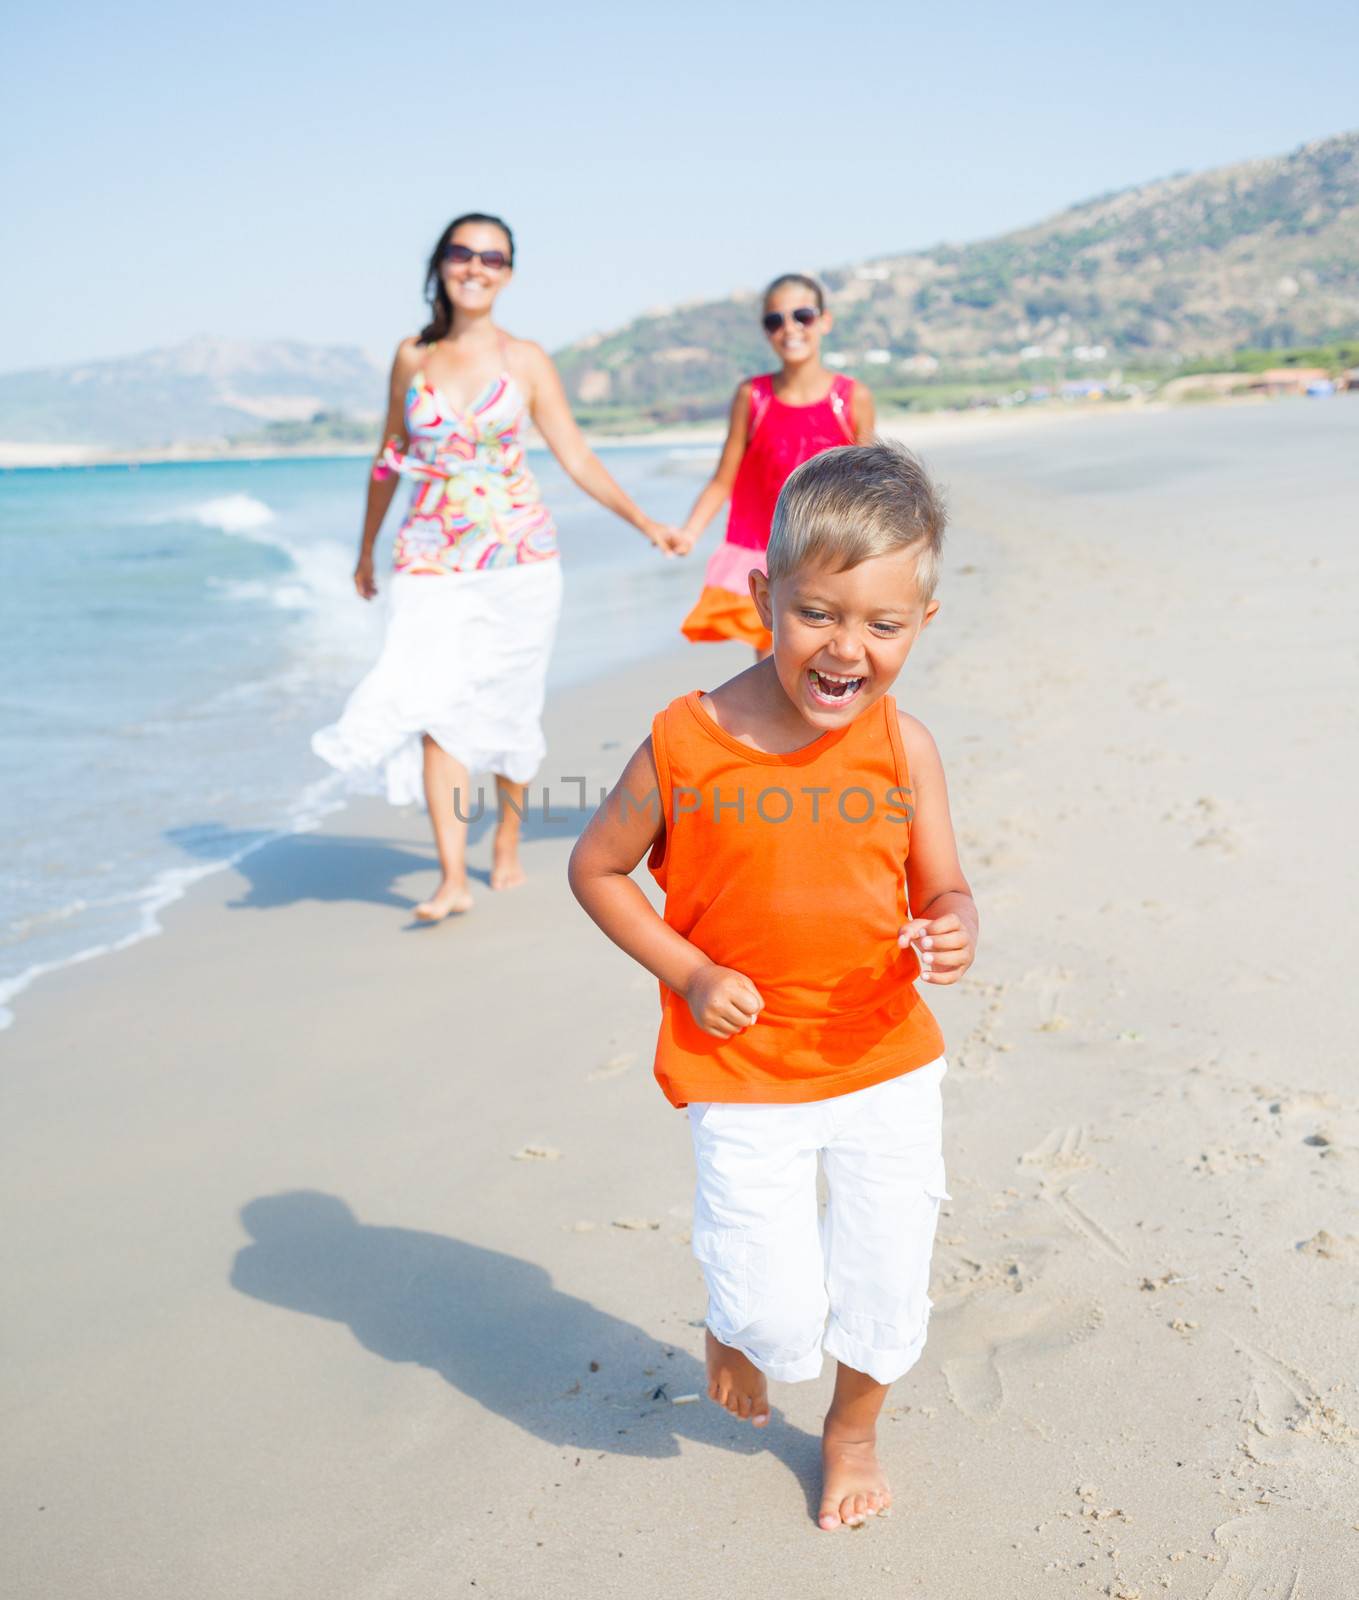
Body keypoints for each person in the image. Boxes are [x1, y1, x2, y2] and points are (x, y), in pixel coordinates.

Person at [568, 441, 977, 1531]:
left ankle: (851, 1429)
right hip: (741, 1072)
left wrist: (954, 927)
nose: (847, 649)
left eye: (882, 626)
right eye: (818, 615)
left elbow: (946, 888)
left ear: (920, 627)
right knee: (776, 1316)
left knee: (886, 1282)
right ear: (764, 597)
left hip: (884, 1057)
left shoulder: (907, 747)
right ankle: (736, 1325)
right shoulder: (684, 744)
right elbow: (596, 870)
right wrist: (690, 969)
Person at [313, 212, 679, 921]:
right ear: (441, 264)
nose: (476, 266)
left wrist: (644, 522)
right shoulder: (410, 357)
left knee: (510, 706)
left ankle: (506, 836)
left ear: (507, 274)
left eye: (493, 257)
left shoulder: (526, 360)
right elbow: (389, 457)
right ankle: (451, 878)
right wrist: (365, 549)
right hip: (427, 557)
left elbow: (575, 456)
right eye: (463, 253)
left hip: (519, 561)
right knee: (431, 706)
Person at [674, 273, 875, 659]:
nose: (790, 329)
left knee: (837, 658)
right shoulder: (753, 397)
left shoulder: (851, 398)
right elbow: (723, 480)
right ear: (766, 331)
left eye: (803, 316)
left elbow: (871, 487)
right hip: (770, 557)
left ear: (825, 321)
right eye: (775, 321)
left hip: (834, 553)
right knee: (775, 667)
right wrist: (689, 532)